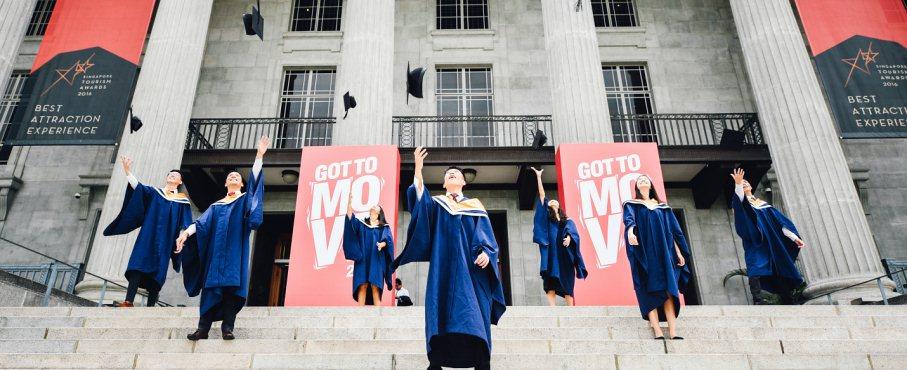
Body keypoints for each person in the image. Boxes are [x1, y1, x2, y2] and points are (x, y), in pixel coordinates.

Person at [394, 146, 506, 370]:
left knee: (473, 312)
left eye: (456, 173)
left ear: (464, 182)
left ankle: (481, 361)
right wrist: (418, 170)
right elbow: (419, 209)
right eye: (447, 174)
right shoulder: (436, 204)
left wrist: (487, 253)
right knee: (441, 311)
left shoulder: (475, 206)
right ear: (444, 184)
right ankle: (436, 361)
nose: (451, 174)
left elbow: (487, 238)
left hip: (471, 270)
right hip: (442, 266)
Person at [176, 136, 269, 341]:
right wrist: (185, 234)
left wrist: (259, 156)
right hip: (215, 256)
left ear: (242, 184)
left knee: (230, 290)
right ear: (226, 183)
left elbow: (255, 189)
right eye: (231, 176)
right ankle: (203, 329)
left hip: (235, 253)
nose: (234, 178)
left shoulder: (245, 201)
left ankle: (228, 328)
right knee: (210, 290)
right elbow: (201, 224)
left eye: (238, 177)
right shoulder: (216, 205)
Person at [103, 156, 193, 307]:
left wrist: (181, 239)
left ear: (180, 182)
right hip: (148, 236)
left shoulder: (182, 201)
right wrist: (127, 171)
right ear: (166, 178)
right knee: (138, 264)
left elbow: (186, 222)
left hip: (166, 239)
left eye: (176, 175)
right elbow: (138, 187)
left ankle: (150, 307)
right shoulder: (155, 193)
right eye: (170, 174)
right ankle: (128, 301)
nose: (172, 175)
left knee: (158, 271)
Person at [622, 174, 691, 340]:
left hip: (664, 253)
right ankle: (657, 330)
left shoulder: (663, 208)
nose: (643, 181)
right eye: (640, 180)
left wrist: (679, 251)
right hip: (644, 252)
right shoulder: (632, 205)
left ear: (651, 185)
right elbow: (629, 220)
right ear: (637, 187)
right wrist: (631, 231)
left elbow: (673, 231)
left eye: (645, 179)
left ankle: (673, 331)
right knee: (648, 290)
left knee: (668, 290)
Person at [730, 168, 806, 305]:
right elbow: (739, 204)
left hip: (771, 242)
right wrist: (737, 184)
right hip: (755, 241)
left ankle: (787, 298)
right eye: (743, 183)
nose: (745, 184)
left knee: (777, 267)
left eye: (746, 183)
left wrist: (794, 238)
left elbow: (779, 223)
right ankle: (758, 299)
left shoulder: (763, 205)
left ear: (752, 186)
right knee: (756, 267)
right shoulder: (740, 204)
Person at [529, 167, 588, 306]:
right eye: (551, 202)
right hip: (551, 253)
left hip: (564, 254)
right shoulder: (547, 220)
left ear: (559, 205)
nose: (553, 201)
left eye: (555, 201)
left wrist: (569, 238)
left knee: (567, 280)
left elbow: (573, 233)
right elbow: (542, 195)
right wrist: (538, 177)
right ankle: (552, 309)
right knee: (550, 280)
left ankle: (571, 309)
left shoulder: (567, 220)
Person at [343, 193, 395, 306]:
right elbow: (350, 219)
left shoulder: (384, 227)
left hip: (377, 258)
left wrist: (383, 244)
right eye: (372, 208)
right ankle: (360, 314)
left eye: (376, 207)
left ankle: (377, 314)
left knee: (375, 285)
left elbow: (388, 240)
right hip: (363, 258)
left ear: (379, 212)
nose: (373, 207)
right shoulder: (362, 224)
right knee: (362, 284)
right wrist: (349, 204)